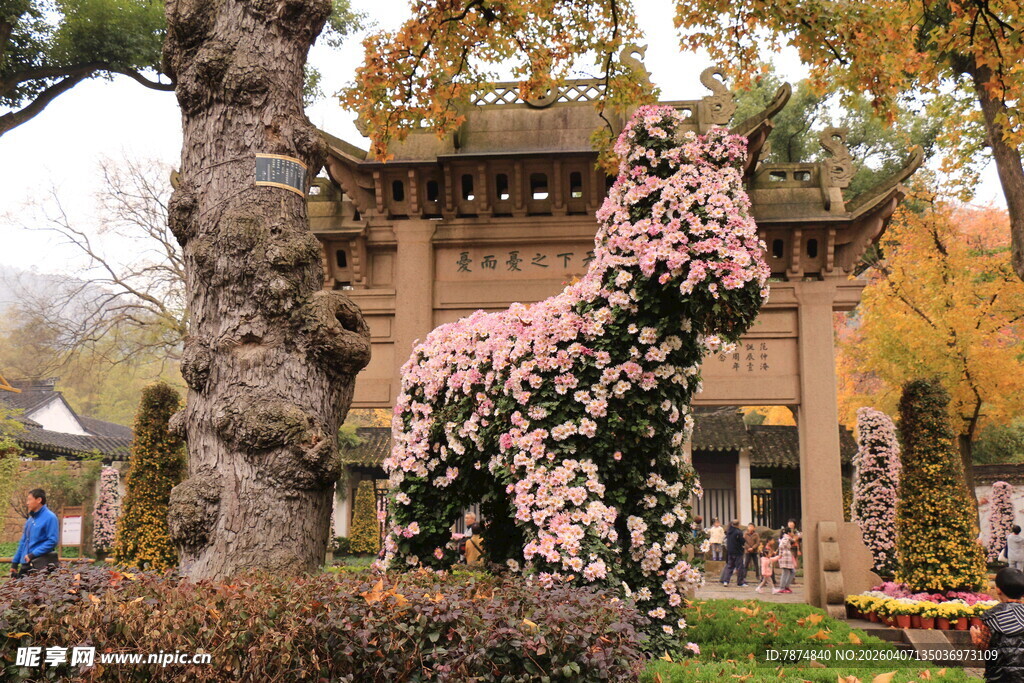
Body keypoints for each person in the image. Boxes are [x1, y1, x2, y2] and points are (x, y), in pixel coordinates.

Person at [970, 567, 1024, 681]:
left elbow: (985, 646)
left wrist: (976, 637)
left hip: (998, 676)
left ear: (998, 590)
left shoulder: (991, 617)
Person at [10, 489, 59, 579]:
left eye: (29, 499)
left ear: (39, 500)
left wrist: (33, 554)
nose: (27, 503)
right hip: (26, 563)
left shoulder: (50, 517)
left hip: (41, 565)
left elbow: (52, 540)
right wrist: (15, 563)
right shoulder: (30, 520)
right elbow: (23, 542)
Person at [720, 519, 748, 587]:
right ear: (738, 524)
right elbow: (742, 541)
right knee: (740, 567)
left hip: (730, 551)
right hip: (738, 552)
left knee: (730, 567)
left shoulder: (729, 531)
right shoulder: (738, 532)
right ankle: (740, 582)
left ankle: (726, 581)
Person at [776, 529, 797, 593]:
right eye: (791, 532)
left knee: (792, 571)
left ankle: (786, 586)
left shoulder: (787, 538)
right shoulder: (786, 538)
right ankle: (782, 587)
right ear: (788, 533)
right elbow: (781, 546)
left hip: (787, 557)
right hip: (785, 558)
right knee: (785, 572)